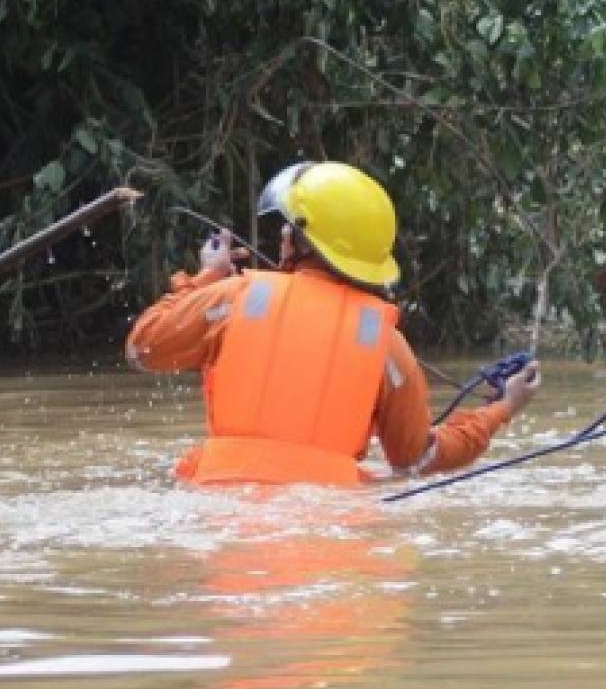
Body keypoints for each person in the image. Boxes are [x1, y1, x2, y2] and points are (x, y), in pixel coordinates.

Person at [126, 161, 541, 486]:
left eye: (287, 228)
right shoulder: (385, 344)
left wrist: (205, 277)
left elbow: (142, 348)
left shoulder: (233, 299)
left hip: (220, 504)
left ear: (298, 241)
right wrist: (501, 409)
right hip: (328, 516)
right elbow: (418, 460)